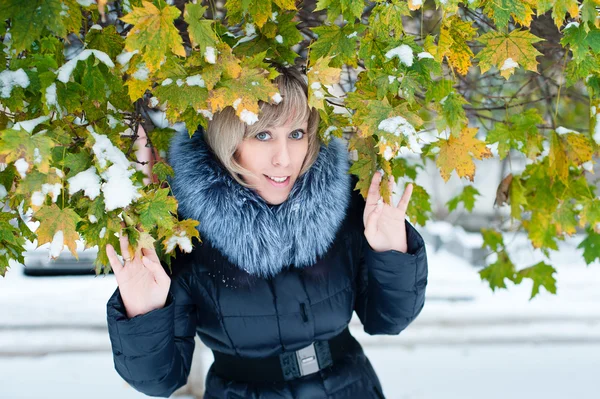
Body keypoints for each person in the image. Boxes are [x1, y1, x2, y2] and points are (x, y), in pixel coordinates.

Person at [105, 66, 428, 399]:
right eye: (262, 135)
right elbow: (160, 381)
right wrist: (143, 314)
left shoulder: (342, 203)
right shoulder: (185, 230)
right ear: (227, 138)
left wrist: (392, 254)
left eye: (296, 134)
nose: (284, 159)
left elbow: (388, 321)